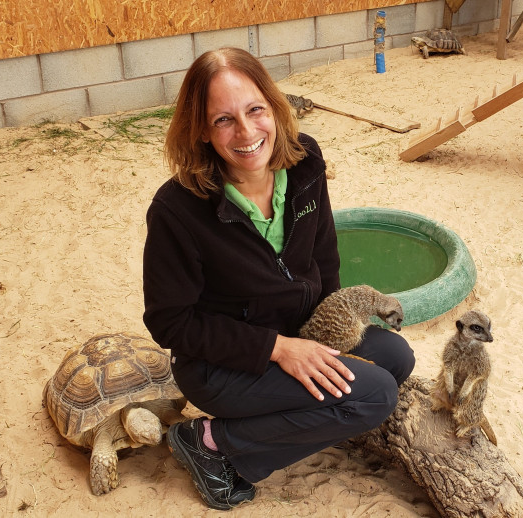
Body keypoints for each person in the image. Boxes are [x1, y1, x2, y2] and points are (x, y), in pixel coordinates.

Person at [142, 47, 415, 510]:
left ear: (274, 106)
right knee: (374, 397)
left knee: (394, 357)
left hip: (300, 329)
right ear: (201, 131)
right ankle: (210, 442)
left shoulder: (306, 162)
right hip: (223, 364)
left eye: (255, 110)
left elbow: (325, 256)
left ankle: (316, 415)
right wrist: (279, 349)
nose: (247, 132)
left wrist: (322, 338)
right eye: (223, 120)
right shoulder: (177, 209)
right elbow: (170, 323)